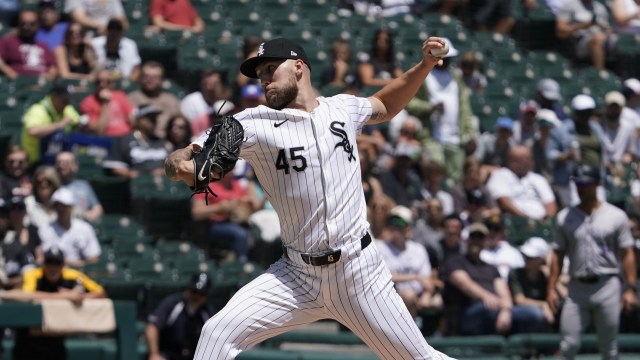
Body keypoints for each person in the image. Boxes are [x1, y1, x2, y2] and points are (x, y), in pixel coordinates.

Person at [165, 36, 455, 359]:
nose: (264, 79)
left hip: (358, 273)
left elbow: (385, 104)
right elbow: (189, 155)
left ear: (299, 67)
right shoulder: (250, 124)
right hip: (296, 277)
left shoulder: (342, 108)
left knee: (420, 357)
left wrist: (425, 65)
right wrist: (179, 163)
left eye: (271, 68)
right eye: (260, 74)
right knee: (216, 333)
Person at [547, 164, 638, 360]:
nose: (581, 188)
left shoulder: (616, 215)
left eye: (585, 184)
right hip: (577, 287)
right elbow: (557, 254)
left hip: (607, 284)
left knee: (609, 347)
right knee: (568, 344)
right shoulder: (565, 217)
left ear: (597, 184)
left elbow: (627, 252)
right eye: (578, 184)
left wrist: (630, 287)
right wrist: (551, 288)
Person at [1, 247, 106, 360]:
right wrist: (64, 296)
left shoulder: (72, 275)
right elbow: (26, 297)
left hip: (55, 343)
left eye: (57, 263)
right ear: (44, 264)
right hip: (28, 342)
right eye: (49, 262)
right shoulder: (33, 275)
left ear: (63, 264)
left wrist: (82, 296)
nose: (53, 267)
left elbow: (101, 293)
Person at [442, 222, 539, 335]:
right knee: (488, 309)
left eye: (480, 238)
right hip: (468, 312)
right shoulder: (455, 260)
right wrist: (487, 297)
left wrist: (505, 310)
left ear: (485, 242)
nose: (476, 241)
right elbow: (463, 283)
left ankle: (526, 350)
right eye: (474, 237)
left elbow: (503, 290)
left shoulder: (491, 267)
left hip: (496, 307)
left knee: (534, 314)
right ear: (468, 240)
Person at [406, 38, 477, 182]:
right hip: (432, 138)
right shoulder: (422, 74)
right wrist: (430, 107)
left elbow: (465, 109)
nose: (445, 60)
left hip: (455, 138)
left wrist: (471, 134)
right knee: (434, 176)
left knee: (455, 180)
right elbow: (408, 102)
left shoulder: (456, 78)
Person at [376, 206, 442, 319]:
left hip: (418, 293)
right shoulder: (380, 247)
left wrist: (427, 295)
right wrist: (414, 277)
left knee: (437, 301)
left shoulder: (418, 249)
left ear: (409, 227)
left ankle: (434, 334)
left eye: (400, 222)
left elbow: (426, 278)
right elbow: (383, 276)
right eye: (392, 222)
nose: (396, 226)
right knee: (408, 295)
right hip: (390, 295)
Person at [145, 273, 215, 360]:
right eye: (194, 291)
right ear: (188, 289)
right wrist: (154, 353)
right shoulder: (173, 303)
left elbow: (216, 338)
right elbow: (152, 326)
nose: (197, 296)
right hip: (167, 355)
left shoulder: (206, 312)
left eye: (201, 294)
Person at [486, 145, 557, 221]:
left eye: (530, 158)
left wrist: (547, 220)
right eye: (525, 159)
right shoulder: (500, 175)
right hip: (515, 222)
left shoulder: (538, 179)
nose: (530, 162)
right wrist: (526, 220)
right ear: (512, 161)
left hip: (541, 223)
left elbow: (550, 203)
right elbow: (504, 202)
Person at [21, 84, 82, 166]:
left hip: (56, 161)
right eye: (64, 100)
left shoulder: (66, 108)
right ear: (54, 96)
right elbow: (32, 131)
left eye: (68, 100)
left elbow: (78, 121)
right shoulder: (38, 110)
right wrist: (60, 124)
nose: (67, 103)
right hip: (35, 162)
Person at [102, 105, 168, 178]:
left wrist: (165, 172)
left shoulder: (160, 141)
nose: (155, 122)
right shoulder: (124, 140)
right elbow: (115, 167)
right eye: (151, 119)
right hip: (134, 185)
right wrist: (136, 175)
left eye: (155, 119)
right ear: (140, 120)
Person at [508, 237, 557, 331]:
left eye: (531, 257)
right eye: (525, 256)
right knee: (536, 314)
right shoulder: (515, 273)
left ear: (541, 260)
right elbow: (519, 300)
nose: (526, 259)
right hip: (520, 312)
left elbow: (562, 296)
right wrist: (543, 305)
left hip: (544, 313)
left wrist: (551, 277)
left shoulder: (544, 276)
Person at [556, 0, 616, 70]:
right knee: (597, 39)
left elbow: (608, 28)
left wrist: (607, 31)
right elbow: (560, 31)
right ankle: (600, 73)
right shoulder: (570, 6)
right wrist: (581, 26)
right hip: (579, 41)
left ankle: (625, 71)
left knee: (619, 40)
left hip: (602, 38)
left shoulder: (600, 8)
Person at [128, 61, 182, 139]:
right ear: (140, 78)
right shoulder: (131, 99)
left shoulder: (171, 101)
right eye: (146, 76)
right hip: (138, 141)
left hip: (166, 142)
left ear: (162, 80)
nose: (150, 80)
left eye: (155, 77)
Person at [0, 10, 57, 80]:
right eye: (23, 23)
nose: (26, 27)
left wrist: (49, 77)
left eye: (31, 24)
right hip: (18, 83)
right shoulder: (8, 41)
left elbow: (53, 66)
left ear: (38, 25)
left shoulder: (43, 45)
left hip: (40, 83)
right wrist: (10, 73)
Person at [80, 68, 135, 137]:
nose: (103, 85)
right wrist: (105, 103)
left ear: (113, 84)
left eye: (108, 82)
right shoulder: (87, 102)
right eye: (99, 82)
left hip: (126, 137)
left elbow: (132, 120)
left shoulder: (121, 96)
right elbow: (99, 131)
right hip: (105, 140)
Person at [55, 151, 103, 223]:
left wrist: (87, 215)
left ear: (75, 166)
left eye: (66, 162)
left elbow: (98, 208)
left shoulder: (84, 185)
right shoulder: (52, 186)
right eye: (59, 162)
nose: (61, 165)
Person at [64, 0, 128, 36]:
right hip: (90, 37)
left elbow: (123, 20)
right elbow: (79, 18)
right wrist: (103, 27)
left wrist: (110, 28)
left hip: (114, 36)